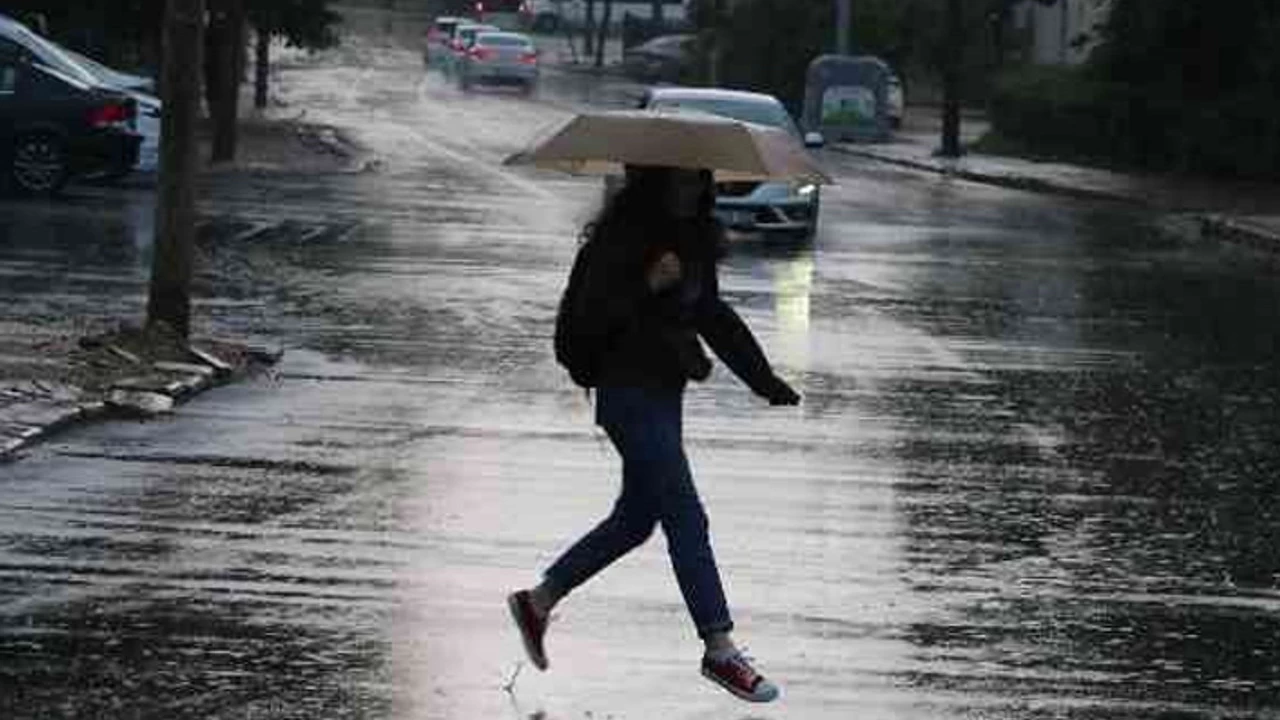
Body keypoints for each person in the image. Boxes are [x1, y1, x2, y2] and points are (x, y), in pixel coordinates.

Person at [508, 165, 801, 703]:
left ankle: (538, 601)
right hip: (626, 394)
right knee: (686, 514)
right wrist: (646, 285)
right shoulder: (619, 240)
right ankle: (719, 647)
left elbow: (714, 317)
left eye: (699, 182)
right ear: (655, 182)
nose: (692, 191)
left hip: (664, 396)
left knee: (635, 520)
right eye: (681, 182)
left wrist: (765, 380)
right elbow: (590, 322)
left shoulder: (691, 240)